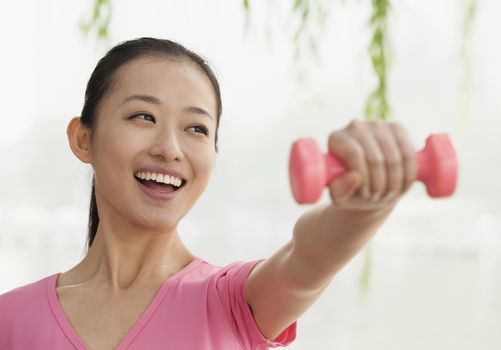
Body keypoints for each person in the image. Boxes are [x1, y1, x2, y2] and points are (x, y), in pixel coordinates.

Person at [0, 37, 417, 350]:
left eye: (196, 128)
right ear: (83, 139)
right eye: (143, 116)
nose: (170, 148)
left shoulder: (234, 301)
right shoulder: (11, 318)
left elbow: (308, 259)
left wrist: (362, 207)